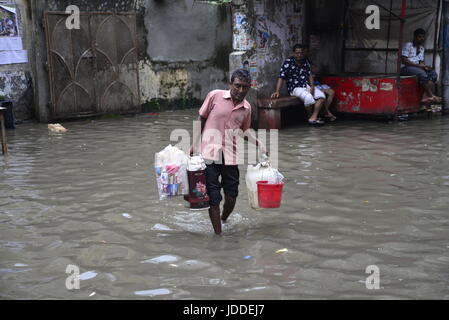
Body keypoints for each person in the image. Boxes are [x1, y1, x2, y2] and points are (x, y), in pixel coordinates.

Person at [192, 69, 267, 235]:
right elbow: (201, 118)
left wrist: (259, 143)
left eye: (245, 87)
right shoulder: (214, 96)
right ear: (230, 84)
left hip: (231, 156)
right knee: (213, 198)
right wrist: (194, 144)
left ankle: (224, 220)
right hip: (209, 155)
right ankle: (218, 235)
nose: (241, 91)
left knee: (231, 196)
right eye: (238, 86)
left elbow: (245, 130)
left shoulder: (246, 108)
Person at [271, 44, 326, 125]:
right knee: (308, 98)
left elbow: (309, 74)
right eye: (297, 53)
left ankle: (313, 117)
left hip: (305, 85)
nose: (299, 55)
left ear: (303, 53)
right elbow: (281, 77)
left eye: (300, 53)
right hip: (295, 88)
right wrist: (277, 91)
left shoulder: (305, 62)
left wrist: (312, 86)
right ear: (293, 53)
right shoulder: (288, 62)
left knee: (321, 96)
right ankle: (310, 117)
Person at [401, 28, 442, 104]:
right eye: (419, 37)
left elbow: (421, 62)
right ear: (415, 37)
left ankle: (424, 96)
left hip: (417, 68)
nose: (422, 39)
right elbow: (404, 60)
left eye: (423, 37)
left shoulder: (421, 48)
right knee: (422, 74)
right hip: (406, 68)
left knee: (433, 74)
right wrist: (419, 66)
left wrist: (425, 66)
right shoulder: (408, 45)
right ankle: (430, 95)